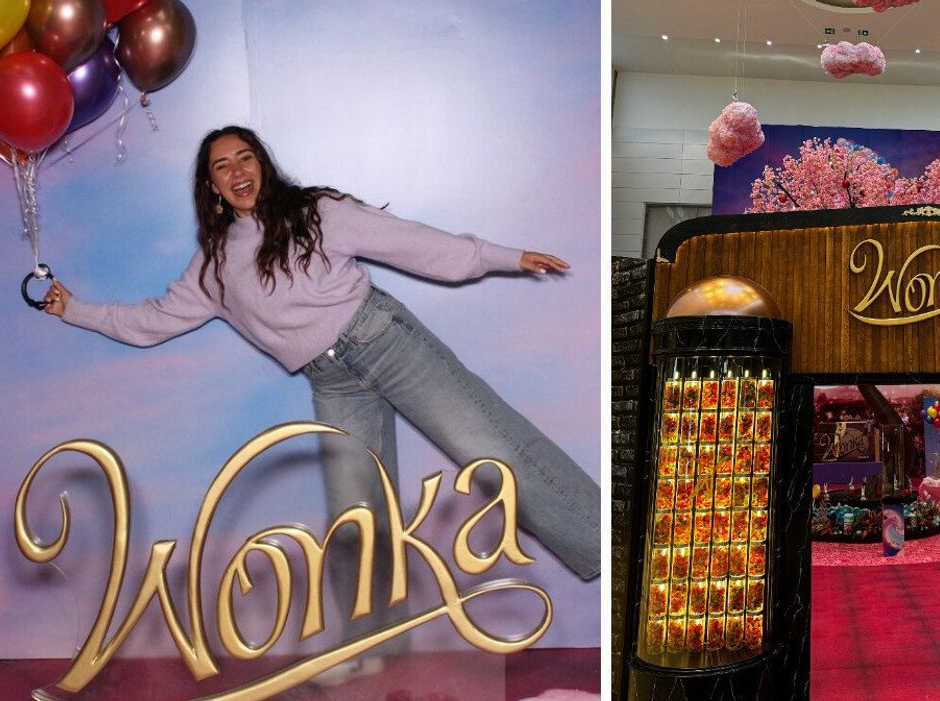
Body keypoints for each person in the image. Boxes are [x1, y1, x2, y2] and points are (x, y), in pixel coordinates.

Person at [42, 125, 600, 683]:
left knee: (492, 452)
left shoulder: (316, 212)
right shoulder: (213, 266)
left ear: (263, 164)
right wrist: (76, 310)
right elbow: (151, 321)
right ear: (210, 185)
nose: (238, 173)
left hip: (385, 339)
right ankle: (371, 643)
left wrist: (505, 257)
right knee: (355, 518)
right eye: (222, 166)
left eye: (246, 158)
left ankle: (609, 546)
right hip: (333, 381)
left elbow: (414, 242)